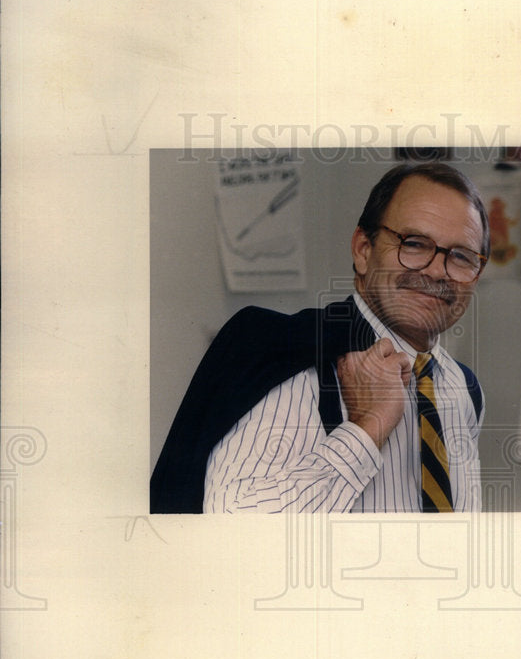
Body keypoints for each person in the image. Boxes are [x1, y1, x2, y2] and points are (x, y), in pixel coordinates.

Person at [150, 161, 490, 514]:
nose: (437, 270)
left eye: (461, 256)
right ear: (363, 250)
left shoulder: (463, 389)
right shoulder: (290, 356)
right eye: (415, 243)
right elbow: (235, 526)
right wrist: (364, 429)